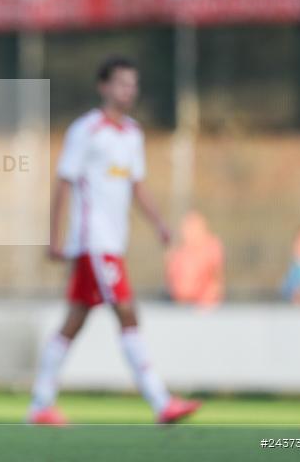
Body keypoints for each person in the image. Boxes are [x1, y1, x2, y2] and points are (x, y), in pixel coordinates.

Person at [28, 57, 201, 426]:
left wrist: (158, 224)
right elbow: (64, 182)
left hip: (111, 244)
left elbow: (136, 184)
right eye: (122, 83)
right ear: (103, 86)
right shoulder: (86, 130)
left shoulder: (132, 134)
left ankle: (40, 404)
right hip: (94, 243)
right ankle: (160, 401)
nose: (129, 91)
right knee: (127, 311)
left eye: (133, 84)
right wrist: (53, 239)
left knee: (74, 320)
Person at [165, 211, 224, 307]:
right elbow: (171, 280)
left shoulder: (211, 248)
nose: (188, 232)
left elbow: (216, 281)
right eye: (187, 228)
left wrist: (206, 306)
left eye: (192, 228)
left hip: (204, 308)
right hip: (180, 306)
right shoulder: (178, 253)